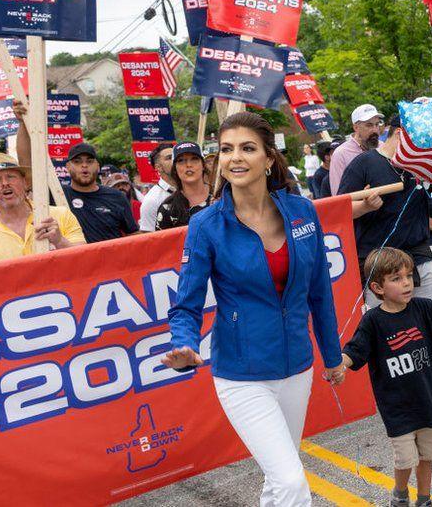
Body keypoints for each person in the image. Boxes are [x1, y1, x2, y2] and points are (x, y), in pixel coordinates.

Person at [162, 112, 346, 506]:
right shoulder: (206, 225)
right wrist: (183, 344)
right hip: (242, 376)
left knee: (281, 477)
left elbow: (320, 294)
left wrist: (332, 356)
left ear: (268, 158)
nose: (235, 158)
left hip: (298, 367)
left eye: (247, 148)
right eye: (226, 150)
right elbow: (186, 305)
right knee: (293, 482)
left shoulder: (303, 212)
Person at [339, 248, 432, 507]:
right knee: (406, 458)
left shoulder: (422, 308)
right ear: (378, 287)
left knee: (427, 455)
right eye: (396, 278)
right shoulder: (373, 321)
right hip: (397, 406)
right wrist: (339, 365)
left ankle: (424, 499)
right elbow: (354, 351)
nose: (407, 282)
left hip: (427, 398)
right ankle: (399, 494)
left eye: (408, 276)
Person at [340, 116, 432, 382]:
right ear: (401, 134)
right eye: (420, 140)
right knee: (384, 325)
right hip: (378, 258)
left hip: (418, 252)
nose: (425, 146)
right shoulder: (365, 163)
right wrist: (366, 206)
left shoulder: (419, 165)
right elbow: (341, 207)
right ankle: (389, 382)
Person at [0, 153, 84, 261]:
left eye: (11, 177)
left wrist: (60, 241)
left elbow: (85, 260)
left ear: (25, 182)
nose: (5, 183)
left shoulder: (61, 215)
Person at [62, 143, 139, 243]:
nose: (84, 165)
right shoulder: (57, 195)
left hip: (110, 258)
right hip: (71, 258)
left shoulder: (117, 197)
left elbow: (133, 234)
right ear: (68, 166)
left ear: (97, 166)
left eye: (89, 161)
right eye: (77, 162)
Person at [329, 104, 384, 196]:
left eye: (377, 124)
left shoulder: (383, 147)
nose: (375, 130)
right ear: (356, 127)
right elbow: (338, 196)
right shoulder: (341, 154)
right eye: (369, 125)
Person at [155, 142, 212, 230]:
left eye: (194, 159)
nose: (188, 165)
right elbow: (162, 242)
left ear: (203, 165)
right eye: (181, 160)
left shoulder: (222, 195)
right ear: (175, 168)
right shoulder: (168, 208)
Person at [138, 142, 176, 232]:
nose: (175, 160)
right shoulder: (152, 200)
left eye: (176, 156)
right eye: (169, 158)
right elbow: (149, 238)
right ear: (158, 167)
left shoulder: (192, 187)